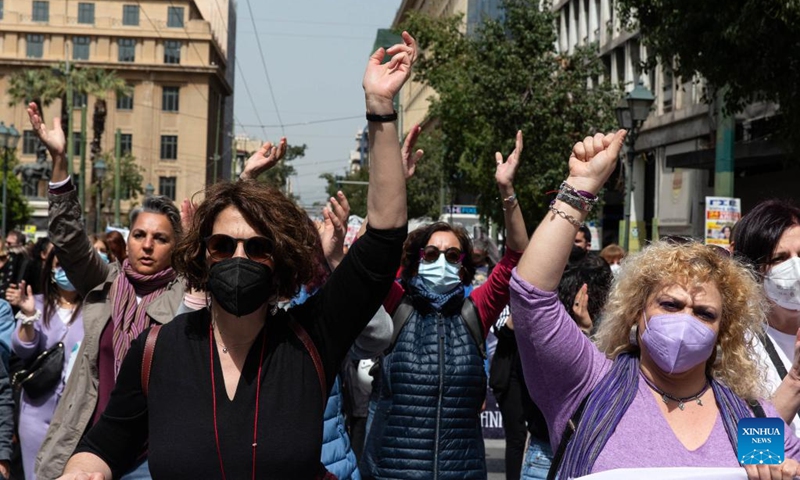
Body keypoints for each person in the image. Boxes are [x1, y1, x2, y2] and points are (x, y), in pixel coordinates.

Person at [52, 31, 415, 480]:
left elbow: (383, 239)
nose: (238, 257)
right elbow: (105, 444)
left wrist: (380, 107)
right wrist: (82, 471)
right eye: (223, 246)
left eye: (258, 247)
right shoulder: (157, 349)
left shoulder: (311, 338)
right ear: (202, 257)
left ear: (279, 263)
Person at [510, 130, 800, 479]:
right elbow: (531, 298)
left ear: (724, 331)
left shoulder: (752, 422)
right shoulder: (587, 385)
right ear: (637, 310)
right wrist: (578, 189)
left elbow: (781, 469)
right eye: (670, 305)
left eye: (704, 313)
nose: (685, 320)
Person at [26, 102, 187, 479]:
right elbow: (67, 237)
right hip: (91, 442)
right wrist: (60, 159)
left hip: (153, 453)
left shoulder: (187, 295)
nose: (147, 245)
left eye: (160, 238)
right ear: (128, 242)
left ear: (176, 247)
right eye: (140, 235)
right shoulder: (104, 283)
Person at [362, 130, 528, 480]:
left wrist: (507, 192)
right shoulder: (397, 304)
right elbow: (371, 254)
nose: (441, 260)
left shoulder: (475, 311)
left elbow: (516, 256)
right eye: (432, 253)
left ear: (463, 264)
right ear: (417, 259)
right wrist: (395, 184)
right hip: (393, 472)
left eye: (452, 255)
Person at [7, 249, 84, 480]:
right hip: (37, 409)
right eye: (59, 265)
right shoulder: (37, 303)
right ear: (50, 269)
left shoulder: (95, 308)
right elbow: (22, 349)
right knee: (36, 474)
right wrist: (28, 317)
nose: (65, 271)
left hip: (78, 411)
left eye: (71, 264)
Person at [732, 199, 800, 434]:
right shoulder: (735, 350)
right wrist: (795, 382)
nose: (795, 268)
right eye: (779, 259)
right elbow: (754, 451)